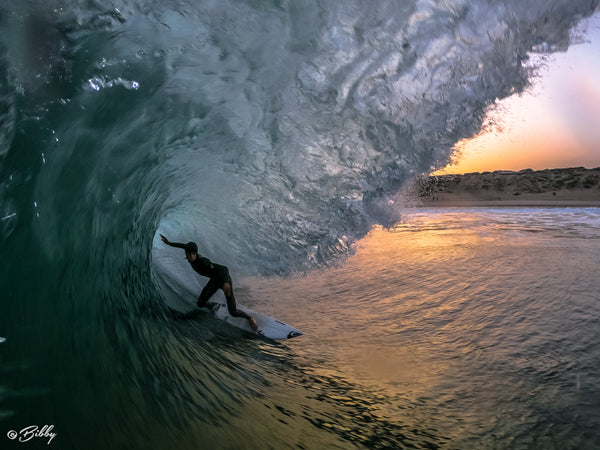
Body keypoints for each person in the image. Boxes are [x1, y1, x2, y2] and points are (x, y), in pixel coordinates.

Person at [160, 234, 258, 332]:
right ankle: (215, 306)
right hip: (214, 281)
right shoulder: (188, 252)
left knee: (233, 312)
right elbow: (183, 246)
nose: (189, 256)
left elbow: (224, 269)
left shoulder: (203, 262)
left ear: (195, 253)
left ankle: (250, 318)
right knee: (200, 303)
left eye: (191, 254)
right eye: (188, 254)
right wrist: (169, 243)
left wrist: (225, 284)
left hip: (224, 281)